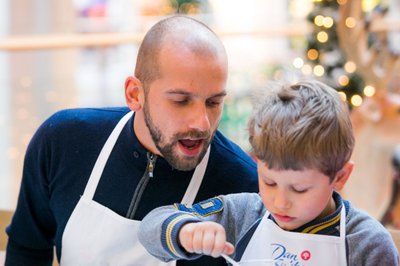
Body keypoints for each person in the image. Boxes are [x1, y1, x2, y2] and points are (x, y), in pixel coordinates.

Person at [5, 15, 258, 266]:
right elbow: (27, 250)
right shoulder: (63, 140)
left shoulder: (245, 185)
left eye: (213, 102)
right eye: (181, 101)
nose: (202, 123)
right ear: (135, 94)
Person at [138, 80, 400, 266]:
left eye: (299, 189)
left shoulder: (367, 243)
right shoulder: (242, 215)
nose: (279, 201)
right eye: (269, 181)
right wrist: (185, 231)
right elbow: (152, 226)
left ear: (340, 177)